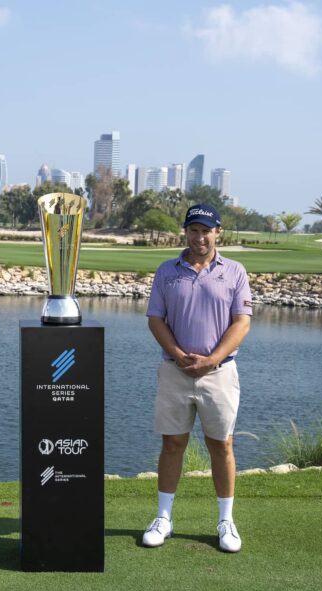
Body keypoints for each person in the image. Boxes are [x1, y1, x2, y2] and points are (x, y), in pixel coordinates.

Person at [141, 203, 252, 553]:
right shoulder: (166, 271)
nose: (199, 237)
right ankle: (163, 518)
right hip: (175, 371)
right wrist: (178, 354)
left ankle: (225, 521)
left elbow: (241, 322)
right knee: (172, 444)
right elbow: (155, 319)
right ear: (186, 232)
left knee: (221, 445)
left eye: (206, 231)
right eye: (194, 230)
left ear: (218, 232)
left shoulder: (234, 271)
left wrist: (212, 359)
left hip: (219, 373)